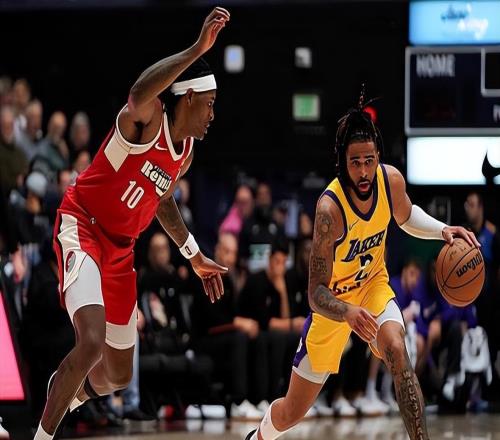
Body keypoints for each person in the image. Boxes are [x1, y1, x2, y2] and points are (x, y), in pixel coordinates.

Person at [34, 7, 230, 439]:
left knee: (117, 375)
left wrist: (193, 254)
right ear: (189, 97)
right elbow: (139, 91)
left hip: (121, 251)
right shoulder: (147, 118)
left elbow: (161, 200)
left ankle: (65, 393)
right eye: (210, 104)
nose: (213, 114)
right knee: (90, 342)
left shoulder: (186, 152)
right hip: (84, 226)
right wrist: (197, 49)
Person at [245, 90, 479, 440]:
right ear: (343, 162)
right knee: (292, 412)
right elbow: (315, 293)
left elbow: (406, 215)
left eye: (369, 160)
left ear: (378, 156)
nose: (364, 170)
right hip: (334, 304)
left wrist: (442, 230)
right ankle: (259, 436)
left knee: (397, 349)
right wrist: (347, 312)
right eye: (355, 162)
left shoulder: (390, 181)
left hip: (372, 286)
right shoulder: (330, 210)